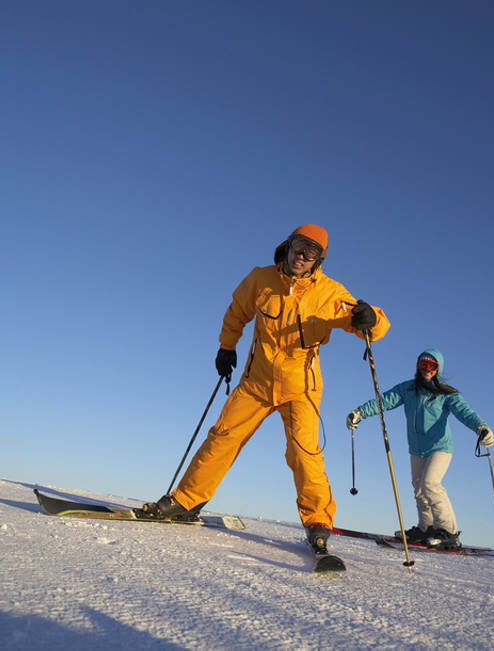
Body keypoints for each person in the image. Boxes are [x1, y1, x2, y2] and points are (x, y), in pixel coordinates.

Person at [144, 223, 390, 549]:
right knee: (222, 438)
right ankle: (186, 501)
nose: (302, 256)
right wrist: (226, 346)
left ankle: (317, 521)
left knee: (304, 454)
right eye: (298, 246)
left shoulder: (330, 292)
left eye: (311, 252)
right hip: (255, 383)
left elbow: (373, 324)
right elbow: (237, 312)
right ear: (287, 246)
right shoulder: (261, 279)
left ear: (319, 260)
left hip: (301, 389)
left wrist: (371, 319)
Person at [346, 348, 494, 550]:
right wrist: (360, 412)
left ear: (438, 369)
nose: (427, 369)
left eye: (432, 366)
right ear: (417, 366)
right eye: (423, 364)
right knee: (419, 488)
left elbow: (464, 412)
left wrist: (481, 427)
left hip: (440, 447)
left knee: (430, 484)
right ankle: (427, 528)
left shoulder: (446, 393)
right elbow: (384, 401)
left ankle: (449, 532)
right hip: (416, 449)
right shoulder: (407, 390)